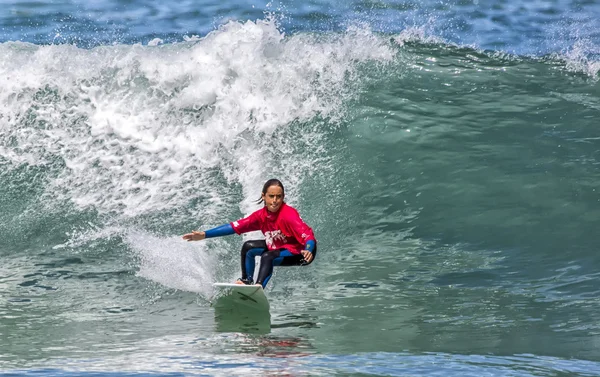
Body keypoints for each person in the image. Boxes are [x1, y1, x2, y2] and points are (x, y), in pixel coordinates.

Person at [182, 179, 317, 288]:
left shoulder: (288, 215)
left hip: (301, 252)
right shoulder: (260, 216)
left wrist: (308, 250)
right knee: (248, 248)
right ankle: (246, 281)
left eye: (278, 196)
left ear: (283, 197)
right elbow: (233, 227)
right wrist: (204, 234)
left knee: (267, 257)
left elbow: (308, 236)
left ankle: (257, 288)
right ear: (263, 196)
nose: (275, 200)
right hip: (278, 245)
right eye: (271, 196)